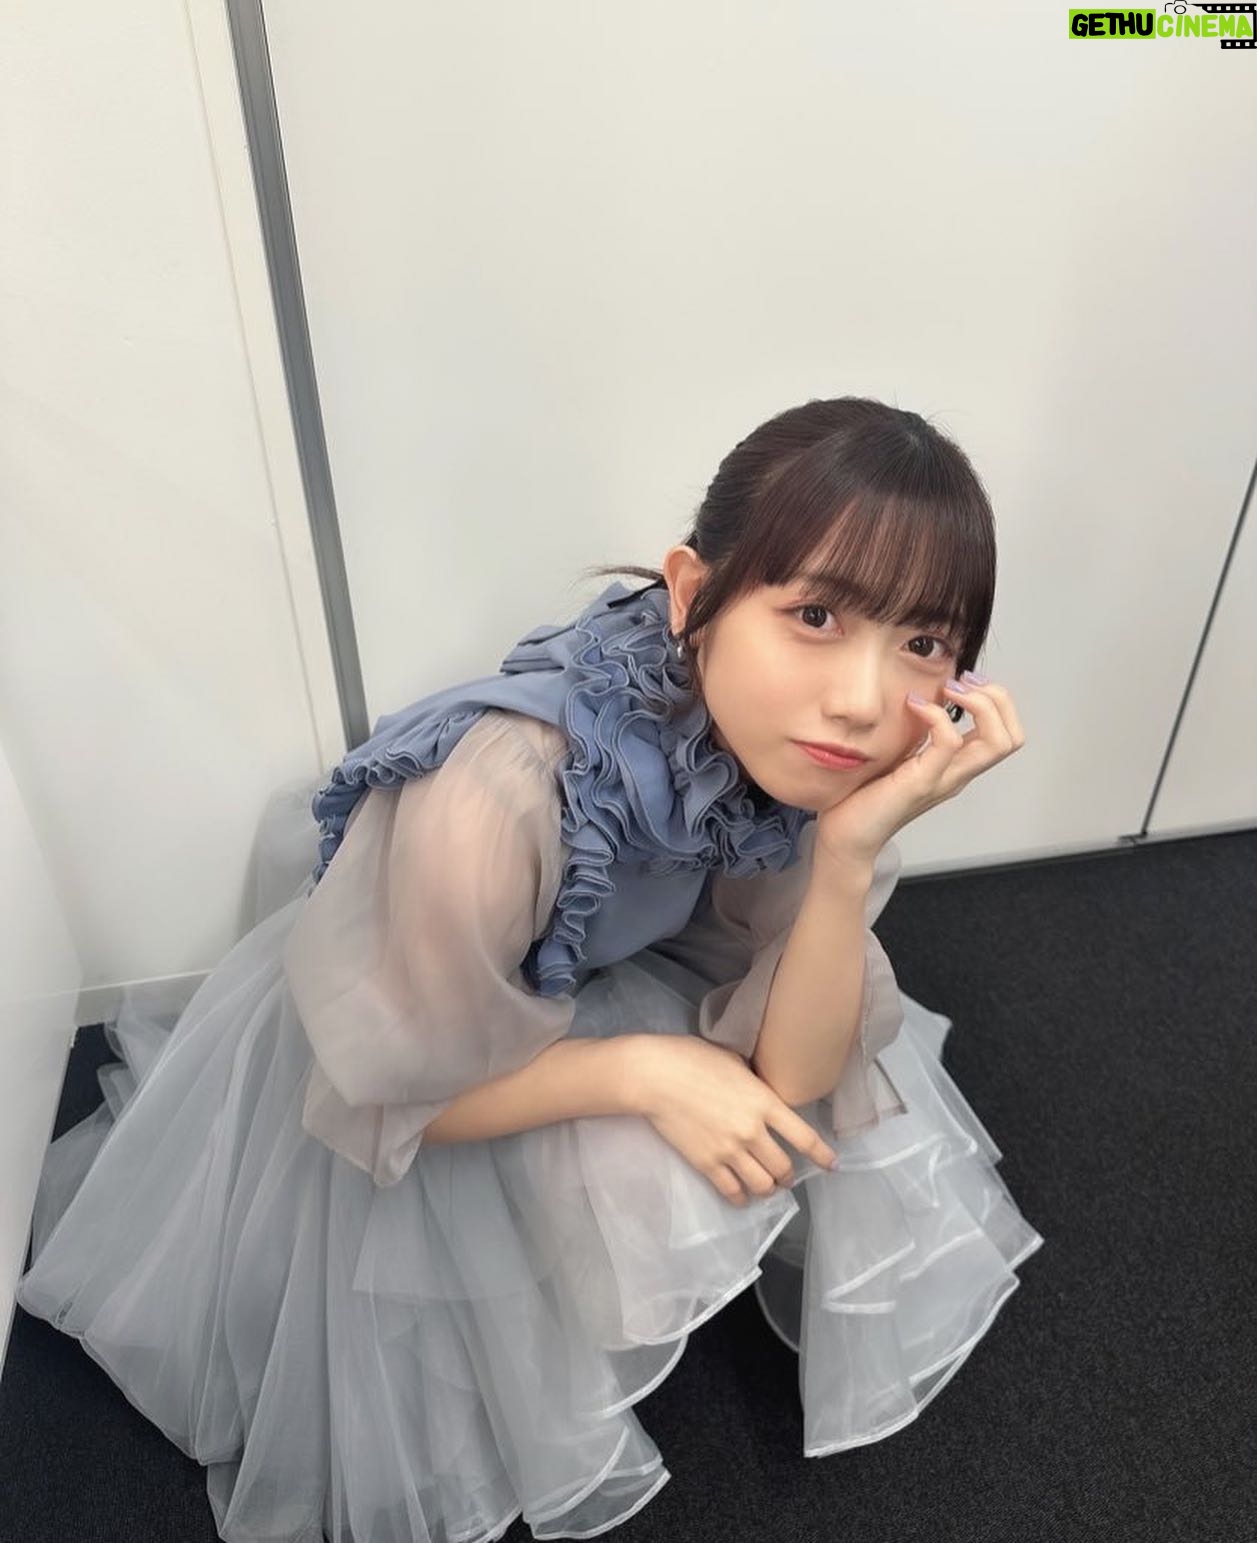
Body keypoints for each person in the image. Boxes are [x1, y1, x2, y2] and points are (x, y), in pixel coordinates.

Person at [16, 395, 1044, 1543]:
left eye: (923, 644)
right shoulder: (498, 794)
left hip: (597, 958)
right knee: (647, 1142)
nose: (859, 702)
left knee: (819, 1056)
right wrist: (641, 1071)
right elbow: (384, 1098)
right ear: (692, 594)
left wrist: (848, 854)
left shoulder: (800, 758)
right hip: (407, 1032)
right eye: (814, 614)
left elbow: (796, 1074)